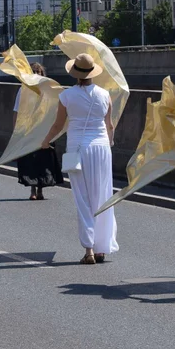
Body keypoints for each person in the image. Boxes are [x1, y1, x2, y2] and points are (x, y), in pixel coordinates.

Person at [42, 53, 117, 265]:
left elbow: (58, 125)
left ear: (75, 74)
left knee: (82, 198)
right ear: (93, 73)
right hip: (102, 148)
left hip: (77, 149)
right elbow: (109, 125)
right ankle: (103, 247)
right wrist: (108, 144)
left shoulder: (67, 96)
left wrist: (45, 141)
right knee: (102, 196)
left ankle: (89, 249)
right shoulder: (105, 95)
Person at [14, 63, 63, 200]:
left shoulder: (49, 90)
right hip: (29, 129)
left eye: (39, 72)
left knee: (44, 160)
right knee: (31, 160)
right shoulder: (23, 89)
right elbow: (17, 112)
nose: (37, 74)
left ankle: (41, 189)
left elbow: (56, 109)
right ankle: (33, 190)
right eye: (34, 71)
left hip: (45, 129)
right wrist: (16, 132)